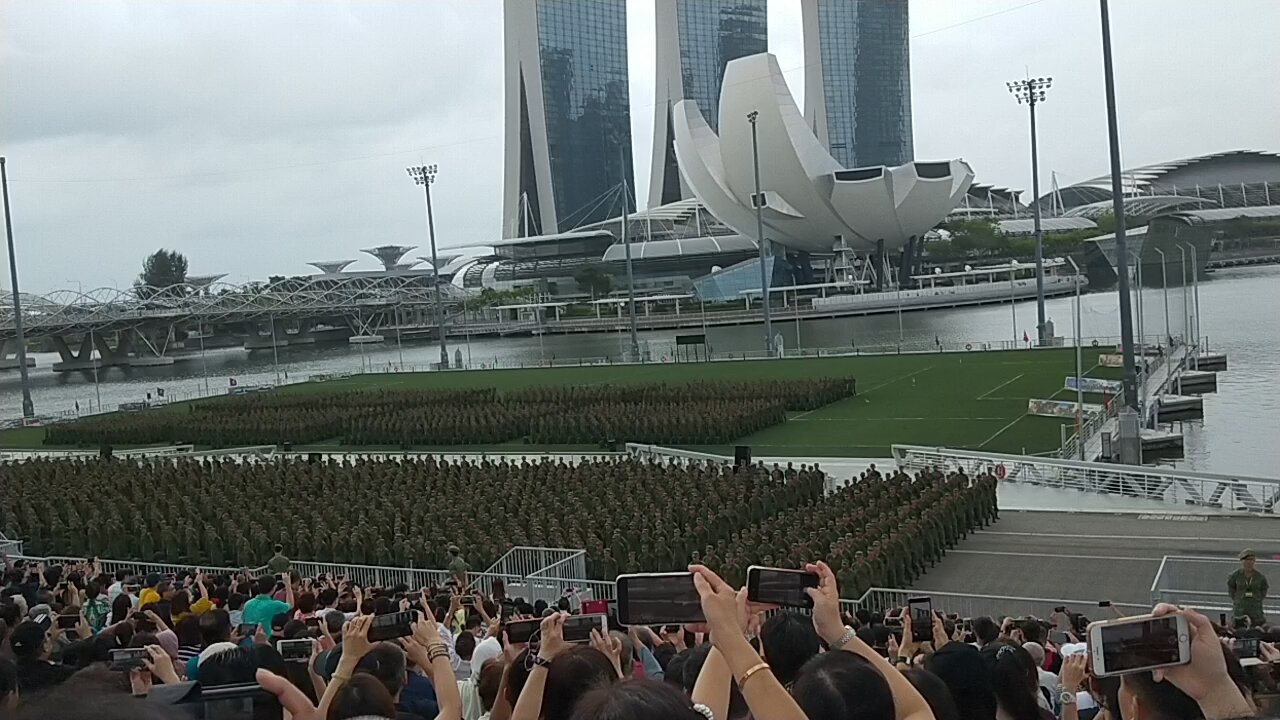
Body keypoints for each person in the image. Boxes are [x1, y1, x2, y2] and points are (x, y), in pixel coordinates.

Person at [241, 574, 294, 639]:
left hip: (247, 640)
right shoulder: (273, 604)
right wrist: (288, 585)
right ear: (274, 587)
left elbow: (245, 623)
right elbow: (290, 605)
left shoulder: (247, 604)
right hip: (264, 641)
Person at [1227, 548, 1268, 627]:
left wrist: (1257, 598)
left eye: (1251, 560)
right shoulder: (1235, 576)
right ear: (1242, 561)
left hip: (1255, 612)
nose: (1249, 562)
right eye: (1246, 560)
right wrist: (1237, 598)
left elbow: (1264, 589)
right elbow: (1231, 588)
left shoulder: (1260, 577)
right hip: (1240, 611)